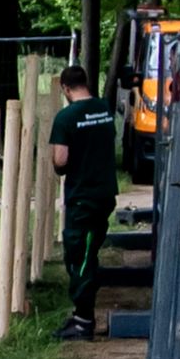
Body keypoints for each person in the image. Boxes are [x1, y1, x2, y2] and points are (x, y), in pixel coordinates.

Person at [56, 60, 126, 336]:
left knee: (79, 255)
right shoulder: (104, 110)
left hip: (82, 195)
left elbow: (60, 158)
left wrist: (60, 165)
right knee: (89, 249)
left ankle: (84, 319)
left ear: (65, 88)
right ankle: (81, 315)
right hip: (105, 191)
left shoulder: (67, 117)